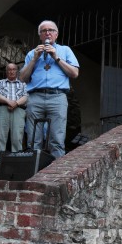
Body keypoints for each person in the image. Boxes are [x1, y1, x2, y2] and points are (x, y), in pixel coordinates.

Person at [20, 20, 79, 159]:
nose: (47, 33)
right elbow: (22, 78)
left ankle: (55, 176)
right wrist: (34, 59)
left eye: (51, 30)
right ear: (40, 36)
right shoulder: (31, 54)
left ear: (56, 34)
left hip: (57, 97)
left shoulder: (65, 50)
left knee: (57, 139)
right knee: (33, 139)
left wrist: (56, 57)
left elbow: (74, 73)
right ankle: (33, 173)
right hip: (35, 97)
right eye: (43, 31)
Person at [0, 63, 28, 162]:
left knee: (17, 136)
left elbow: (26, 97)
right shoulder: (0, 82)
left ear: (17, 71)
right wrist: (9, 102)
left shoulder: (23, 84)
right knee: (0, 135)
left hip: (19, 110)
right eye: (9, 69)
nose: (11, 71)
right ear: (6, 71)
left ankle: (16, 161)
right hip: (2, 109)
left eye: (13, 69)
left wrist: (16, 103)